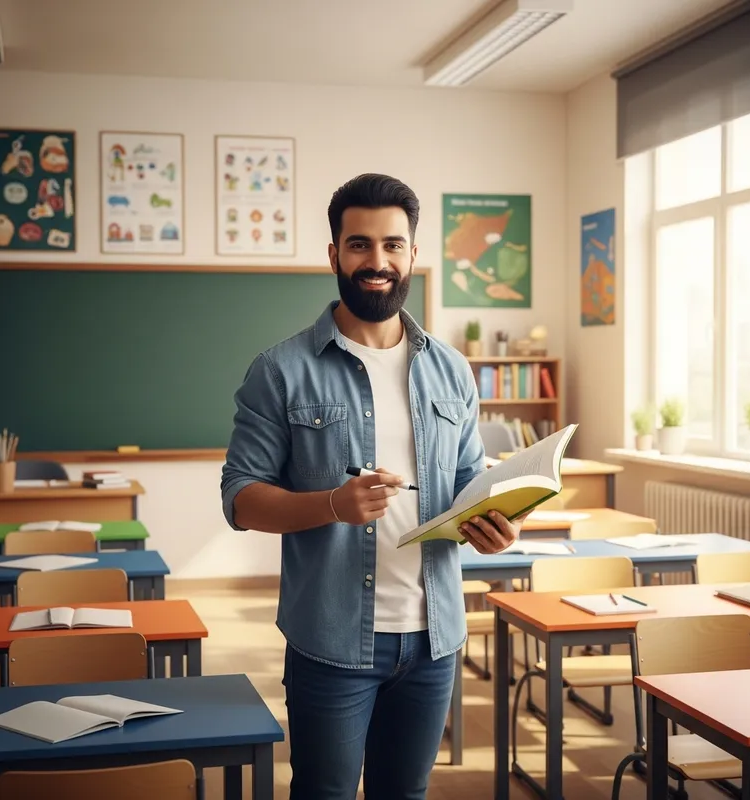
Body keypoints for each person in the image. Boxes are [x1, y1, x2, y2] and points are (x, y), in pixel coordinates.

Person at [221, 173, 524, 800]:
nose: (376, 261)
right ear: (333, 254)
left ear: (413, 254)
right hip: (332, 641)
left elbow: (468, 480)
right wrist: (333, 503)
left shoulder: (452, 369)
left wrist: (494, 524)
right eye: (359, 245)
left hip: (434, 638)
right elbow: (241, 498)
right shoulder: (280, 370)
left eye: (392, 245)